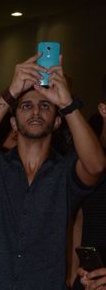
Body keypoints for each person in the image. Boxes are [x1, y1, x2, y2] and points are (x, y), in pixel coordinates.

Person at [0, 54, 106, 289]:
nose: (35, 112)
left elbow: (97, 165)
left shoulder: (66, 172)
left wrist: (67, 104)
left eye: (45, 106)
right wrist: (11, 92)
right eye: (26, 106)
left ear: (57, 121)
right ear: (14, 123)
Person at [71, 75, 106, 289]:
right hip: (85, 278)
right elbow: (75, 218)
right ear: (103, 110)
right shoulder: (81, 160)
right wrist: (70, 276)